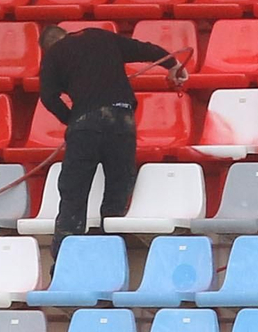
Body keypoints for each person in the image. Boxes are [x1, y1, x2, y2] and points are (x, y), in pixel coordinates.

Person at [37, 24, 187, 254]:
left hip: (85, 126)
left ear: (48, 46)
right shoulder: (100, 36)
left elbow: (48, 97)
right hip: (121, 121)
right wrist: (174, 66)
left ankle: (64, 264)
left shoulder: (54, 55)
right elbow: (146, 50)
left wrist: (72, 119)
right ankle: (110, 256)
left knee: (73, 198)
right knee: (117, 193)